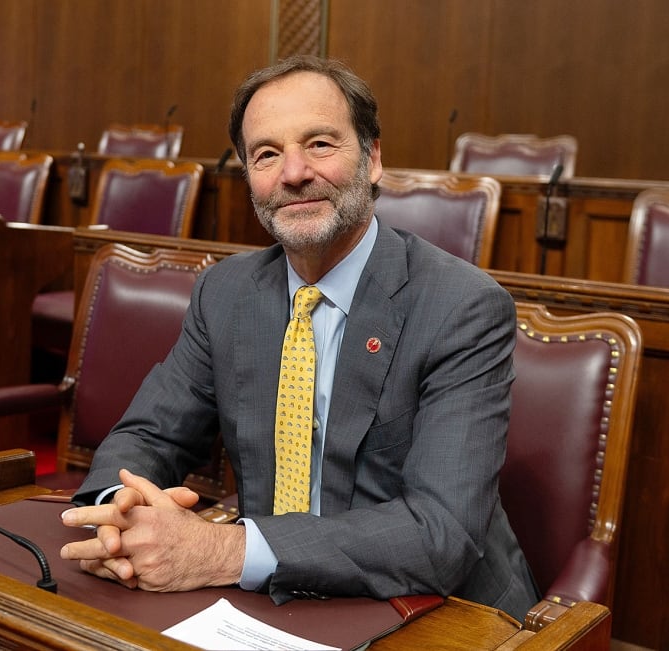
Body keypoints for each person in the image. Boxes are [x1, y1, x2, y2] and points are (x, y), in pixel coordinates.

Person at [59, 54, 538, 618]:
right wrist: (122, 511)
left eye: (319, 144)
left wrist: (223, 550)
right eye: (267, 154)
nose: (293, 173)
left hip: (438, 609)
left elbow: (441, 532)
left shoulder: (462, 307)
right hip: (275, 601)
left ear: (373, 158)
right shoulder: (225, 293)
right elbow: (148, 436)